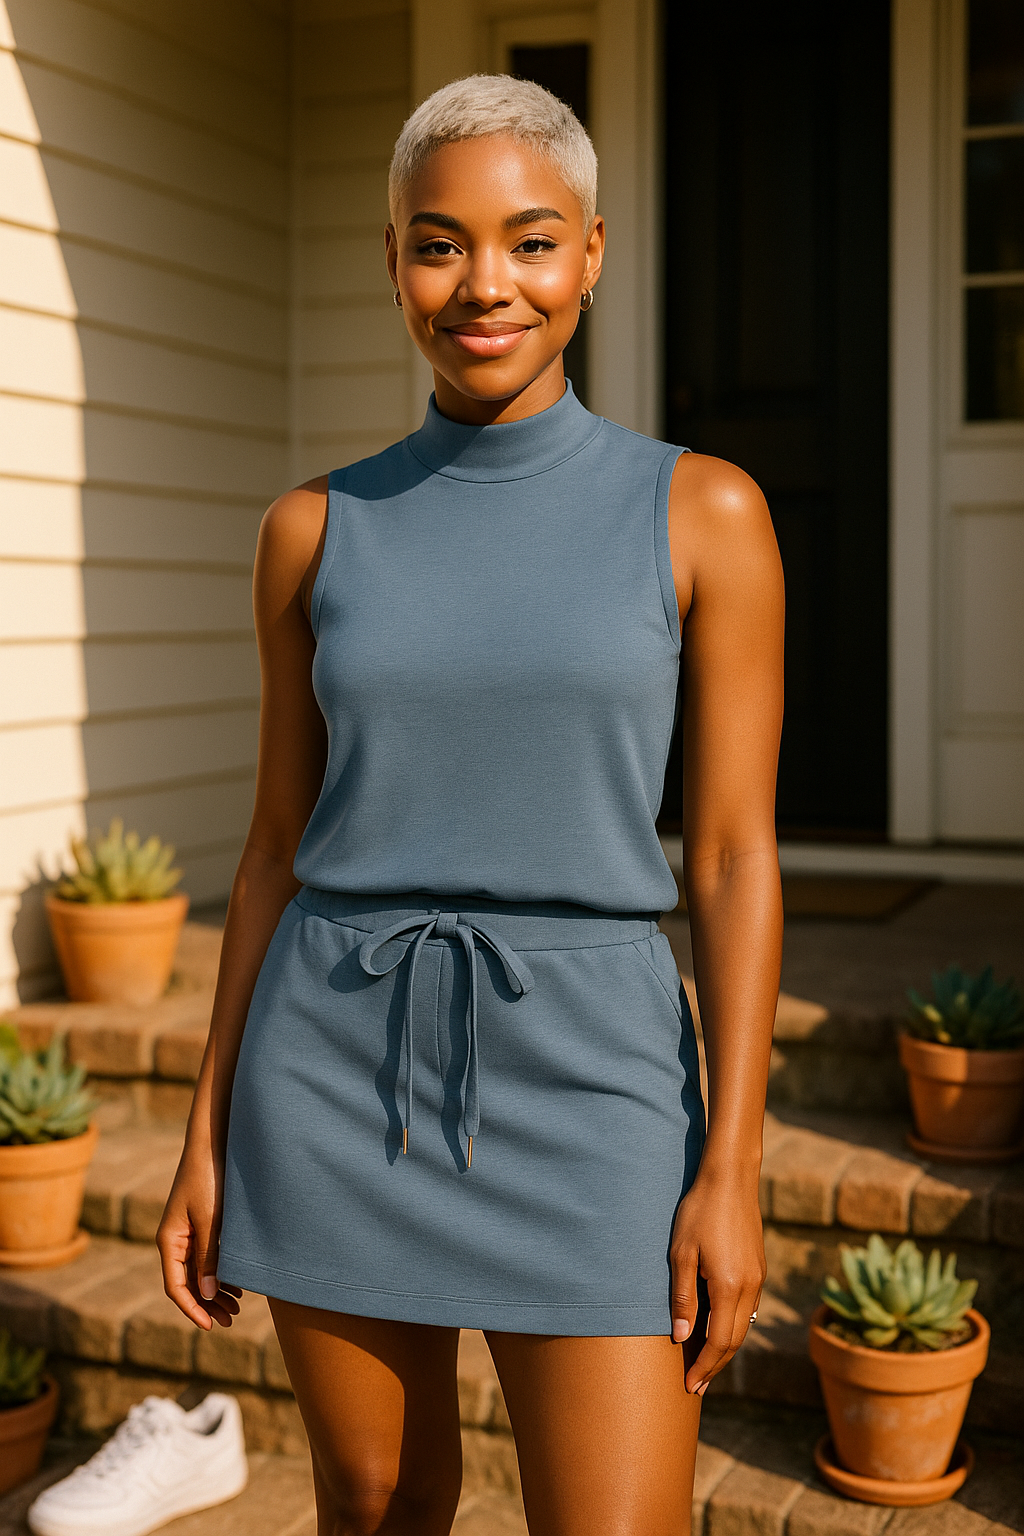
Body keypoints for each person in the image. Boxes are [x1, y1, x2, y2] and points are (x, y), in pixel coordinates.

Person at [158, 74, 784, 1536]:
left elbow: (740, 859)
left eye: (531, 241)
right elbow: (268, 851)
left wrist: (735, 1167)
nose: (484, 284)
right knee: (376, 1510)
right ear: (391, 263)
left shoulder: (706, 513)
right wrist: (206, 1129)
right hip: (332, 1070)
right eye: (439, 244)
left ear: (594, 254)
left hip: (597, 1081)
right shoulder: (311, 531)